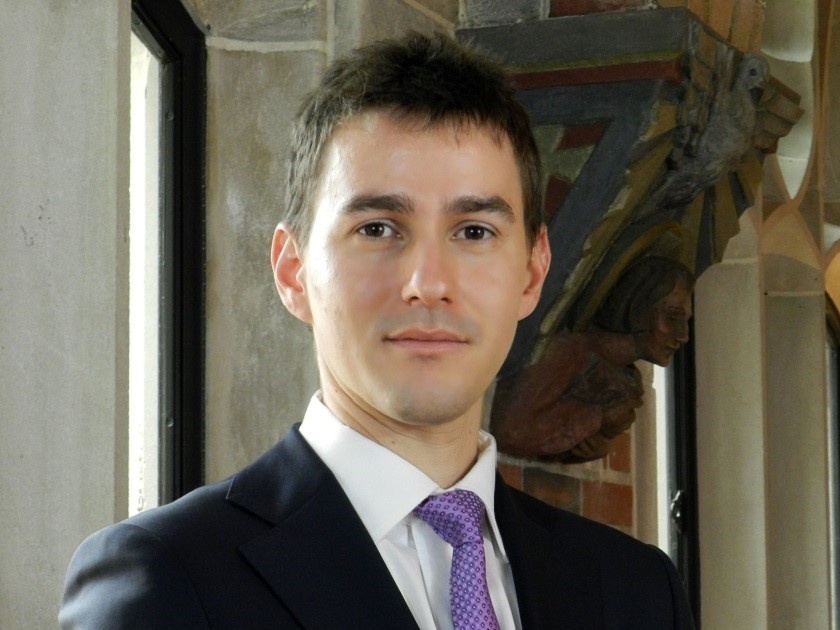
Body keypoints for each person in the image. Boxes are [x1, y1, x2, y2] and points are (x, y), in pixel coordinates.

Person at [59, 32, 695, 629]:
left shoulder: (635, 591)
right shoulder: (165, 579)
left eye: (474, 232)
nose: (427, 282)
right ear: (293, 271)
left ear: (531, 272)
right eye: (377, 228)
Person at [491, 257, 694, 462]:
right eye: (672, 316)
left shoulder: (628, 380)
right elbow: (510, 432)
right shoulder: (569, 351)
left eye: (685, 321)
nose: (683, 335)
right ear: (637, 307)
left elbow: (553, 449)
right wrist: (599, 417)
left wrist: (598, 444)